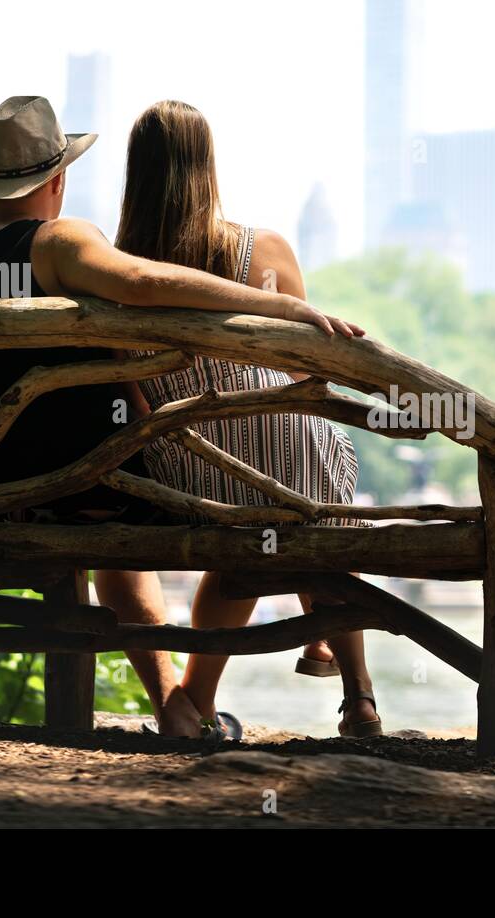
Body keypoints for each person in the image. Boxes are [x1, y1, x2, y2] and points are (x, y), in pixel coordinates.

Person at [0, 96, 361, 738]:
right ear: (56, 179)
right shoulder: (59, 240)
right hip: (111, 489)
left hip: (9, 497)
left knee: (209, 503)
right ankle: (201, 702)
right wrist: (281, 309)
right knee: (245, 504)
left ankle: (176, 706)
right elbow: (139, 279)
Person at [116, 100, 381, 740]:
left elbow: (135, 398)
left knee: (251, 530)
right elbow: (304, 373)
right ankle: (358, 698)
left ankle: (196, 706)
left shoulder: (114, 268)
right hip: (293, 459)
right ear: (207, 166)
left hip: (196, 463)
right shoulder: (261, 250)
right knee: (313, 505)